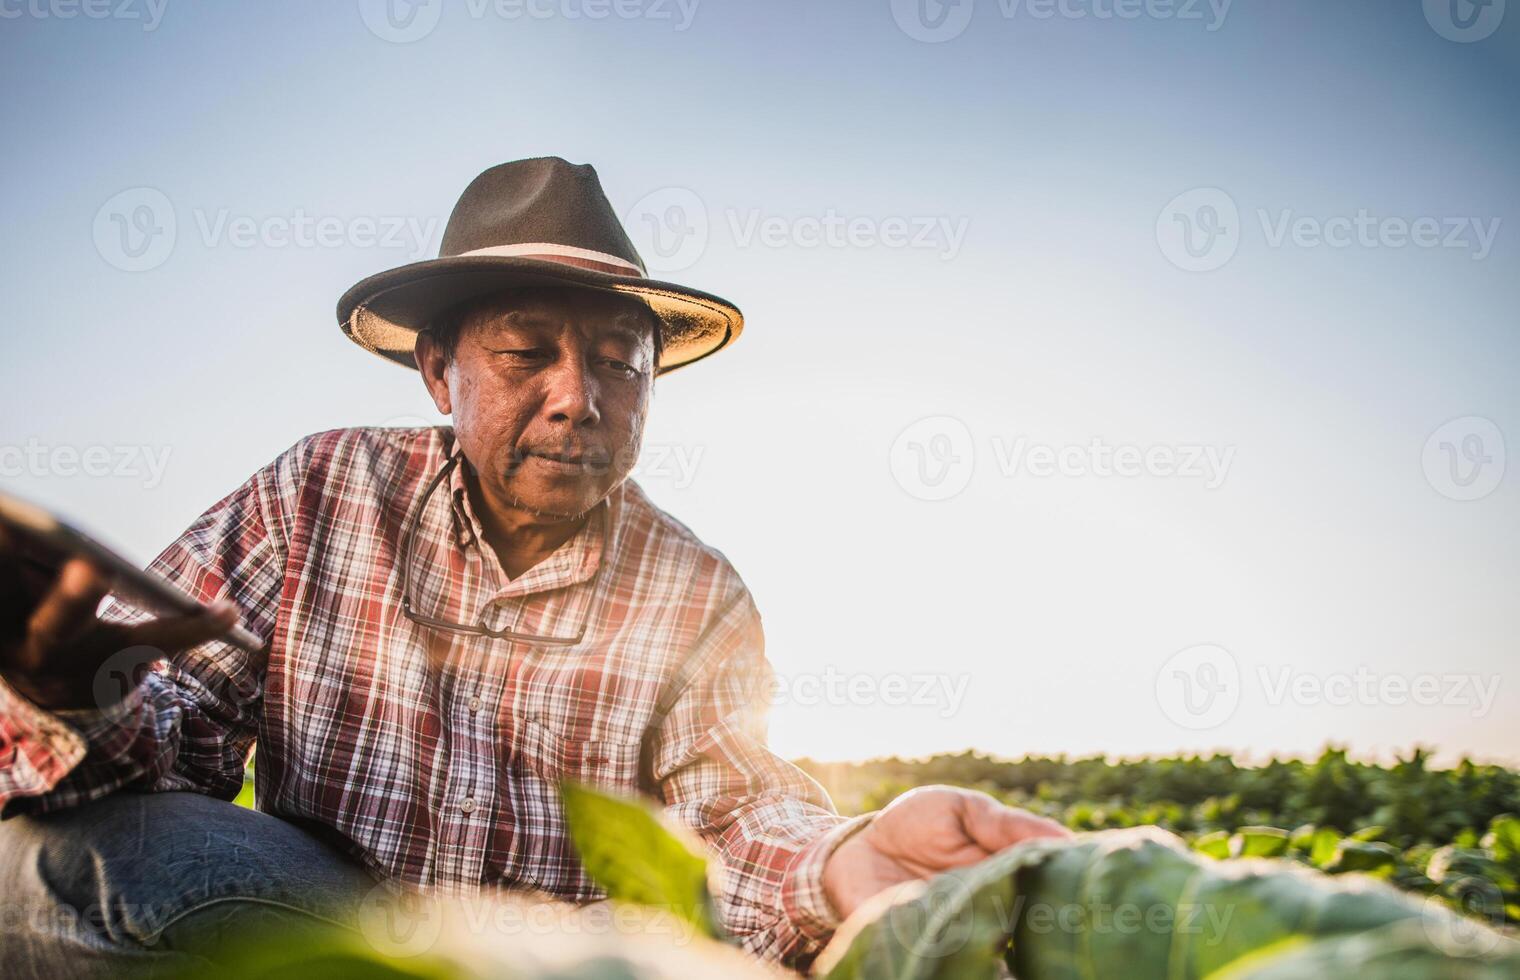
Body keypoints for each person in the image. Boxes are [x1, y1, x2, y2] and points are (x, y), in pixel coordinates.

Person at [0, 157, 1067, 976]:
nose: (577, 394)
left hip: (569, 960)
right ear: (438, 371)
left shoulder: (695, 590)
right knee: (73, 867)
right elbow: (171, 738)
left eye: (617, 359)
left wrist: (843, 859)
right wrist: (74, 694)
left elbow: (736, 816)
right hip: (330, 929)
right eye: (526, 352)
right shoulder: (319, 489)